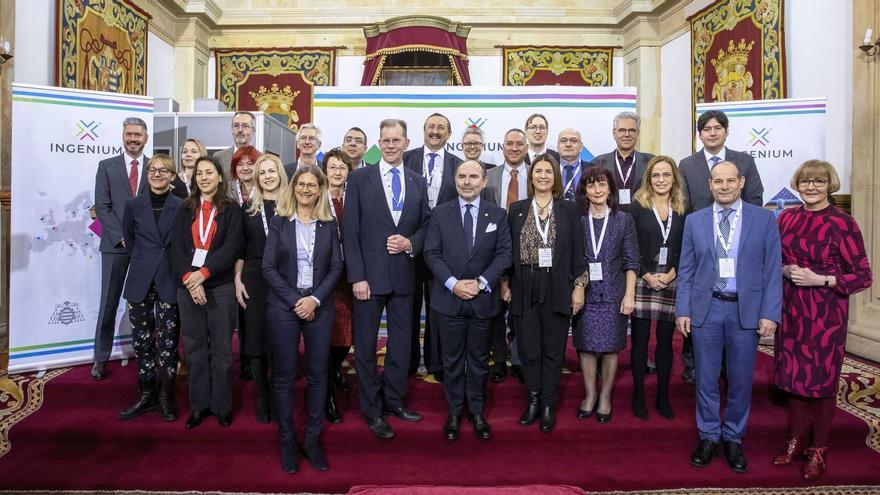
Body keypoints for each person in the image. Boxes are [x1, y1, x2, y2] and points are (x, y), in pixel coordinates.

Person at [675, 161, 782, 473]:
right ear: (710, 184)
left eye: (730, 181)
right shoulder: (695, 221)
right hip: (706, 308)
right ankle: (708, 436)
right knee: (706, 379)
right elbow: (687, 269)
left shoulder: (764, 219)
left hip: (744, 310)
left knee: (740, 380)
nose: (724, 186)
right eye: (718, 181)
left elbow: (773, 270)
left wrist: (770, 313)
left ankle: (733, 437)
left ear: (741, 182)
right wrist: (683, 309)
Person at [771, 160, 872, 480]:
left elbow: (862, 275)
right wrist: (786, 270)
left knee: (823, 381)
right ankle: (796, 438)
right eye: (805, 182)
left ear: (830, 185)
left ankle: (819, 448)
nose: (811, 187)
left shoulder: (843, 223)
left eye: (818, 182)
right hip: (791, 308)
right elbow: (776, 259)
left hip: (826, 312)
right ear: (797, 185)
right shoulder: (786, 218)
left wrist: (822, 280)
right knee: (793, 377)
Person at [343, 119, 431, 440]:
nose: (391, 145)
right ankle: (372, 409)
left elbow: (426, 227)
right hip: (368, 279)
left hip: (405, 277)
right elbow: (350, 233)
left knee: (401, 346)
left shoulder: (417, 181)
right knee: (365, 347)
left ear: (407, 143)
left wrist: (411, 244)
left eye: (397, 140)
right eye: (386, 140)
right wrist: (357, 277)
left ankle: (394, 401)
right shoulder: (359, 178)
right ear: (379, 143)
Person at [423, 159, 512, 441]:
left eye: (474, 176)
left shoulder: (497, 215)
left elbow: (504, 255)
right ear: (455, 180)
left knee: (477, 360)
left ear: (484, 182)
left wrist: (482, 283)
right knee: (451, 360)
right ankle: (453, 412)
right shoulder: (439, 213)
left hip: (483, 300)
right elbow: (431, 254)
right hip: (449, 300)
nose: (467, 181)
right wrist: (453, 284)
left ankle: (476, 411)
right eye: (462, 176)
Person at [263, 164, 342, 473]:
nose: (306, 189)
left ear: (320, 190)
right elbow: (268, 267)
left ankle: (311, 438)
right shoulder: (280, 221)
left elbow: (336, 265)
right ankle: (287, 441)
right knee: (283, 375)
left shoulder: (327, 223)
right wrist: (296, 300)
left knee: (319, 374)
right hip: (285, 305)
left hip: (319, 304)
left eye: (312, 185)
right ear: (293, 187)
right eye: (301, 184)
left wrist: (315, 299)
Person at [677, 109, 764, 385]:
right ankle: (694, 364)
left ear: (726, 131)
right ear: (699, 134)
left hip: (737, 242)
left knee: (733, 316)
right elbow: (683, 205)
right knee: (701, 306)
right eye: (706, 129)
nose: (712, 132)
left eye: (717, 128)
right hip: (702, 240)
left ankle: (730, 367)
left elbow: (755, 198)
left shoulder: (744, 161)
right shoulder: (687, 164)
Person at [502, 153, 586, 433]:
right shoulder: (517, 209)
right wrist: (505, 283)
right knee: (528, 348)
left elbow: (578, 253)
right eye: (538, 171)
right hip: (524, 285)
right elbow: (507, 252)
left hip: (558, 285)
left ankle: (549, 404)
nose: (543, 176)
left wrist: (579, 287)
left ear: (555, 177)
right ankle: (534, 399)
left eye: (548, 171)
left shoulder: (569, 209)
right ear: (531, 176)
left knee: (553, 349)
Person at [170, 156, 243, 429]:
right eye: (199, 173)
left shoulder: (231, 209)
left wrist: (204, 274)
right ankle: (199, 406)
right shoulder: (184, 208)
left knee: (223, 351)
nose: (203, 177)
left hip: (220, 286)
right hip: (188, 287)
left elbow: (232, 248)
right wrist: (191, 278)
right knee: (194, 349)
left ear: (220, 177)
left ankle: (222, 406)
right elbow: (175, 249)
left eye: (209, 172)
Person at [119, 154, 184, 421]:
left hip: (169, 279)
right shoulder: (133, 206)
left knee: (168, 344)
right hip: (141, 279)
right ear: (147, 174)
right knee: (142, 342)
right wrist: (145, 261)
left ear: (172, 176)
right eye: (153, 170)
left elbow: (182, 244)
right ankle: (146, 394)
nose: (157, 174)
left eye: (163, 170)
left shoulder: (181, 206)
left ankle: (165, 395)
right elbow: (131, 242)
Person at [573, 166, 638, 425]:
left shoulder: (624, 220)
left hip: (614, 293)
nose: (597, 190)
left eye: (601, 185)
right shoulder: (577, 219)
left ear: (610, 188)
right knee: (586, 347)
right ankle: (589, 395)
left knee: (611, 348)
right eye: (591, 185)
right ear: (585, 190)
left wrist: (629, 295)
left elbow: (632, 261)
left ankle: (605, 398)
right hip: (585, 293)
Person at [403, 113, 463, 380]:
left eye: (441, 128)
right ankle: (408, 362)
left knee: (439, 309)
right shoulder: (406, 159)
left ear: (449, 134)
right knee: (408, 308)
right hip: (410, 247)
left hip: (445, 251)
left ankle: (437, 365)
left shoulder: (459, 165)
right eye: (431, 127)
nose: (435, 131)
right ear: (423, 130)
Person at [629, 155, 687, 420]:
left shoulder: (684, 208)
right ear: (648, 179)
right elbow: (630, 245)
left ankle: (662, 396)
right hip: (644, 279)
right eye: (656, 176)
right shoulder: (637, 207)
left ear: (674, 177)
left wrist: (674, 271)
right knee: (640, 340)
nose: (661, 180)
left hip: (672, 279)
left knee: (665, 342)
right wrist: (645, 273)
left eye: (666, 175)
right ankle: (638, 394)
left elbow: (687, 246)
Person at [92, 117, 150, 380]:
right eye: (129, 134)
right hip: (116, 246)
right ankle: (100, 357)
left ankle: (149, 354)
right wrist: (121, 237)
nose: (134, 139)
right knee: (109, 302)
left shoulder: (154, 168)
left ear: (146, 138)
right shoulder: (106, 167)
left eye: (138, 134)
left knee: (148, 304)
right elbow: (102, 206)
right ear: (123, 136)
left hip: (147, 248)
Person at [234, 154, 288, 423]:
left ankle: (280, 395)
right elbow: (241, 249)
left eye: (272, 171)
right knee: (255, 337)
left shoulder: (291, 206)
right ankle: (261, 397)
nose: (267, 176)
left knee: (280, 336)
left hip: (285, 277)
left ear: (280, 174)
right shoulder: (249, 208)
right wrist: (237, 279)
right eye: (262, 172)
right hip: (254, 277)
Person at [485, 129, 530, 383]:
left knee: (521, 309)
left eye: (519, 144)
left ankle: (520, 359)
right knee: (494, 309)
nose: (514, 148)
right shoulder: (488, 177)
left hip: (527, 253)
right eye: (509, 143)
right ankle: (499, 359)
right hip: (493, 253)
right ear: (502, 146)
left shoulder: (537, 175)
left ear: (526, 147)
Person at [322, 148, 356, 424]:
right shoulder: (316, 197)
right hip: (324, 276)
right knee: (329, 333)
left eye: (342, 167)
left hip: (351, 274)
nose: (337, 172)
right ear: (325, 171)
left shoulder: (354, 198)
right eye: (332, 167)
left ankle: (333, 370)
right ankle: (327, 393)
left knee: (348, 333)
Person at [229, 144, 261, 381]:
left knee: (249, 310)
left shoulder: (266, 190)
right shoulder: (227, 191)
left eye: (250, 163)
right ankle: (239, 357)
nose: (245, 168)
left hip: (252, 259)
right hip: (228, 257)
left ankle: (252, 358)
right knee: (233, 313)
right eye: (240, 164)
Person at [589, 111, 655, 209]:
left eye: (632, 130)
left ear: (638, 134)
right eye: (622, 130)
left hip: (641, 220)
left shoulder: (651, 162)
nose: (627, 134)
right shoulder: (597, 163)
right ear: (614, 134)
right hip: (609, 219)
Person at [214, 111, 256, 178]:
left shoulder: (261, 158)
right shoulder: (219, 157)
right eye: (236, 125)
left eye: (245, 126)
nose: (240, 130)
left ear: (253, 131)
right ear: (231, 129)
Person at [556, 128, 590, 201]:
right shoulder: (549, 170)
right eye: (563, 140)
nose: (568, 144)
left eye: (573, 140)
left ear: (581, 147)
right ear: (557, 147)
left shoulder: (592, 170)